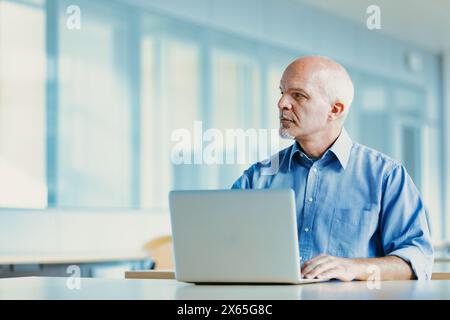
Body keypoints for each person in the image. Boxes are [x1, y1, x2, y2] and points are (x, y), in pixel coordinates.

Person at [231, 56, 434, 281]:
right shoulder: (256, 178)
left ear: (335, 110)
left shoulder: (386, 176)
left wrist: (354, 268)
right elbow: (223, 247)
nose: (282, 104)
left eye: (298, 95)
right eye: (282, 92)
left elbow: (417, 258)